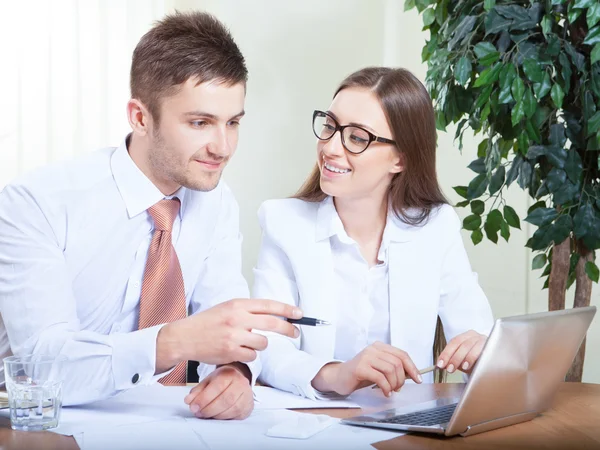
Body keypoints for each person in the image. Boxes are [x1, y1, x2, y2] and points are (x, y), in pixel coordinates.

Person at [0, 11, 302, 420]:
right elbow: (40, 366)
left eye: (233, 123)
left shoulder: (216, 201)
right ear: (140, 117)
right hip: (45, 427)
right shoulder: (36, 202)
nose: (223, 146)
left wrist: (235, 371)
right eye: (200, 122)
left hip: (166, 423)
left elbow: (226, 315)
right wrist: (173, 342)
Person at [253, 67, 494, 399]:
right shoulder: (285, 223)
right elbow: (266, 348)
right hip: (313, 425)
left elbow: (476, 332)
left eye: (356, 137)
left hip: (408, 428)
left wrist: (482, 351)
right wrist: (337, 373)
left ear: (400, 159)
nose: (331, 148)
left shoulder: (436, 227)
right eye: (329, 126)